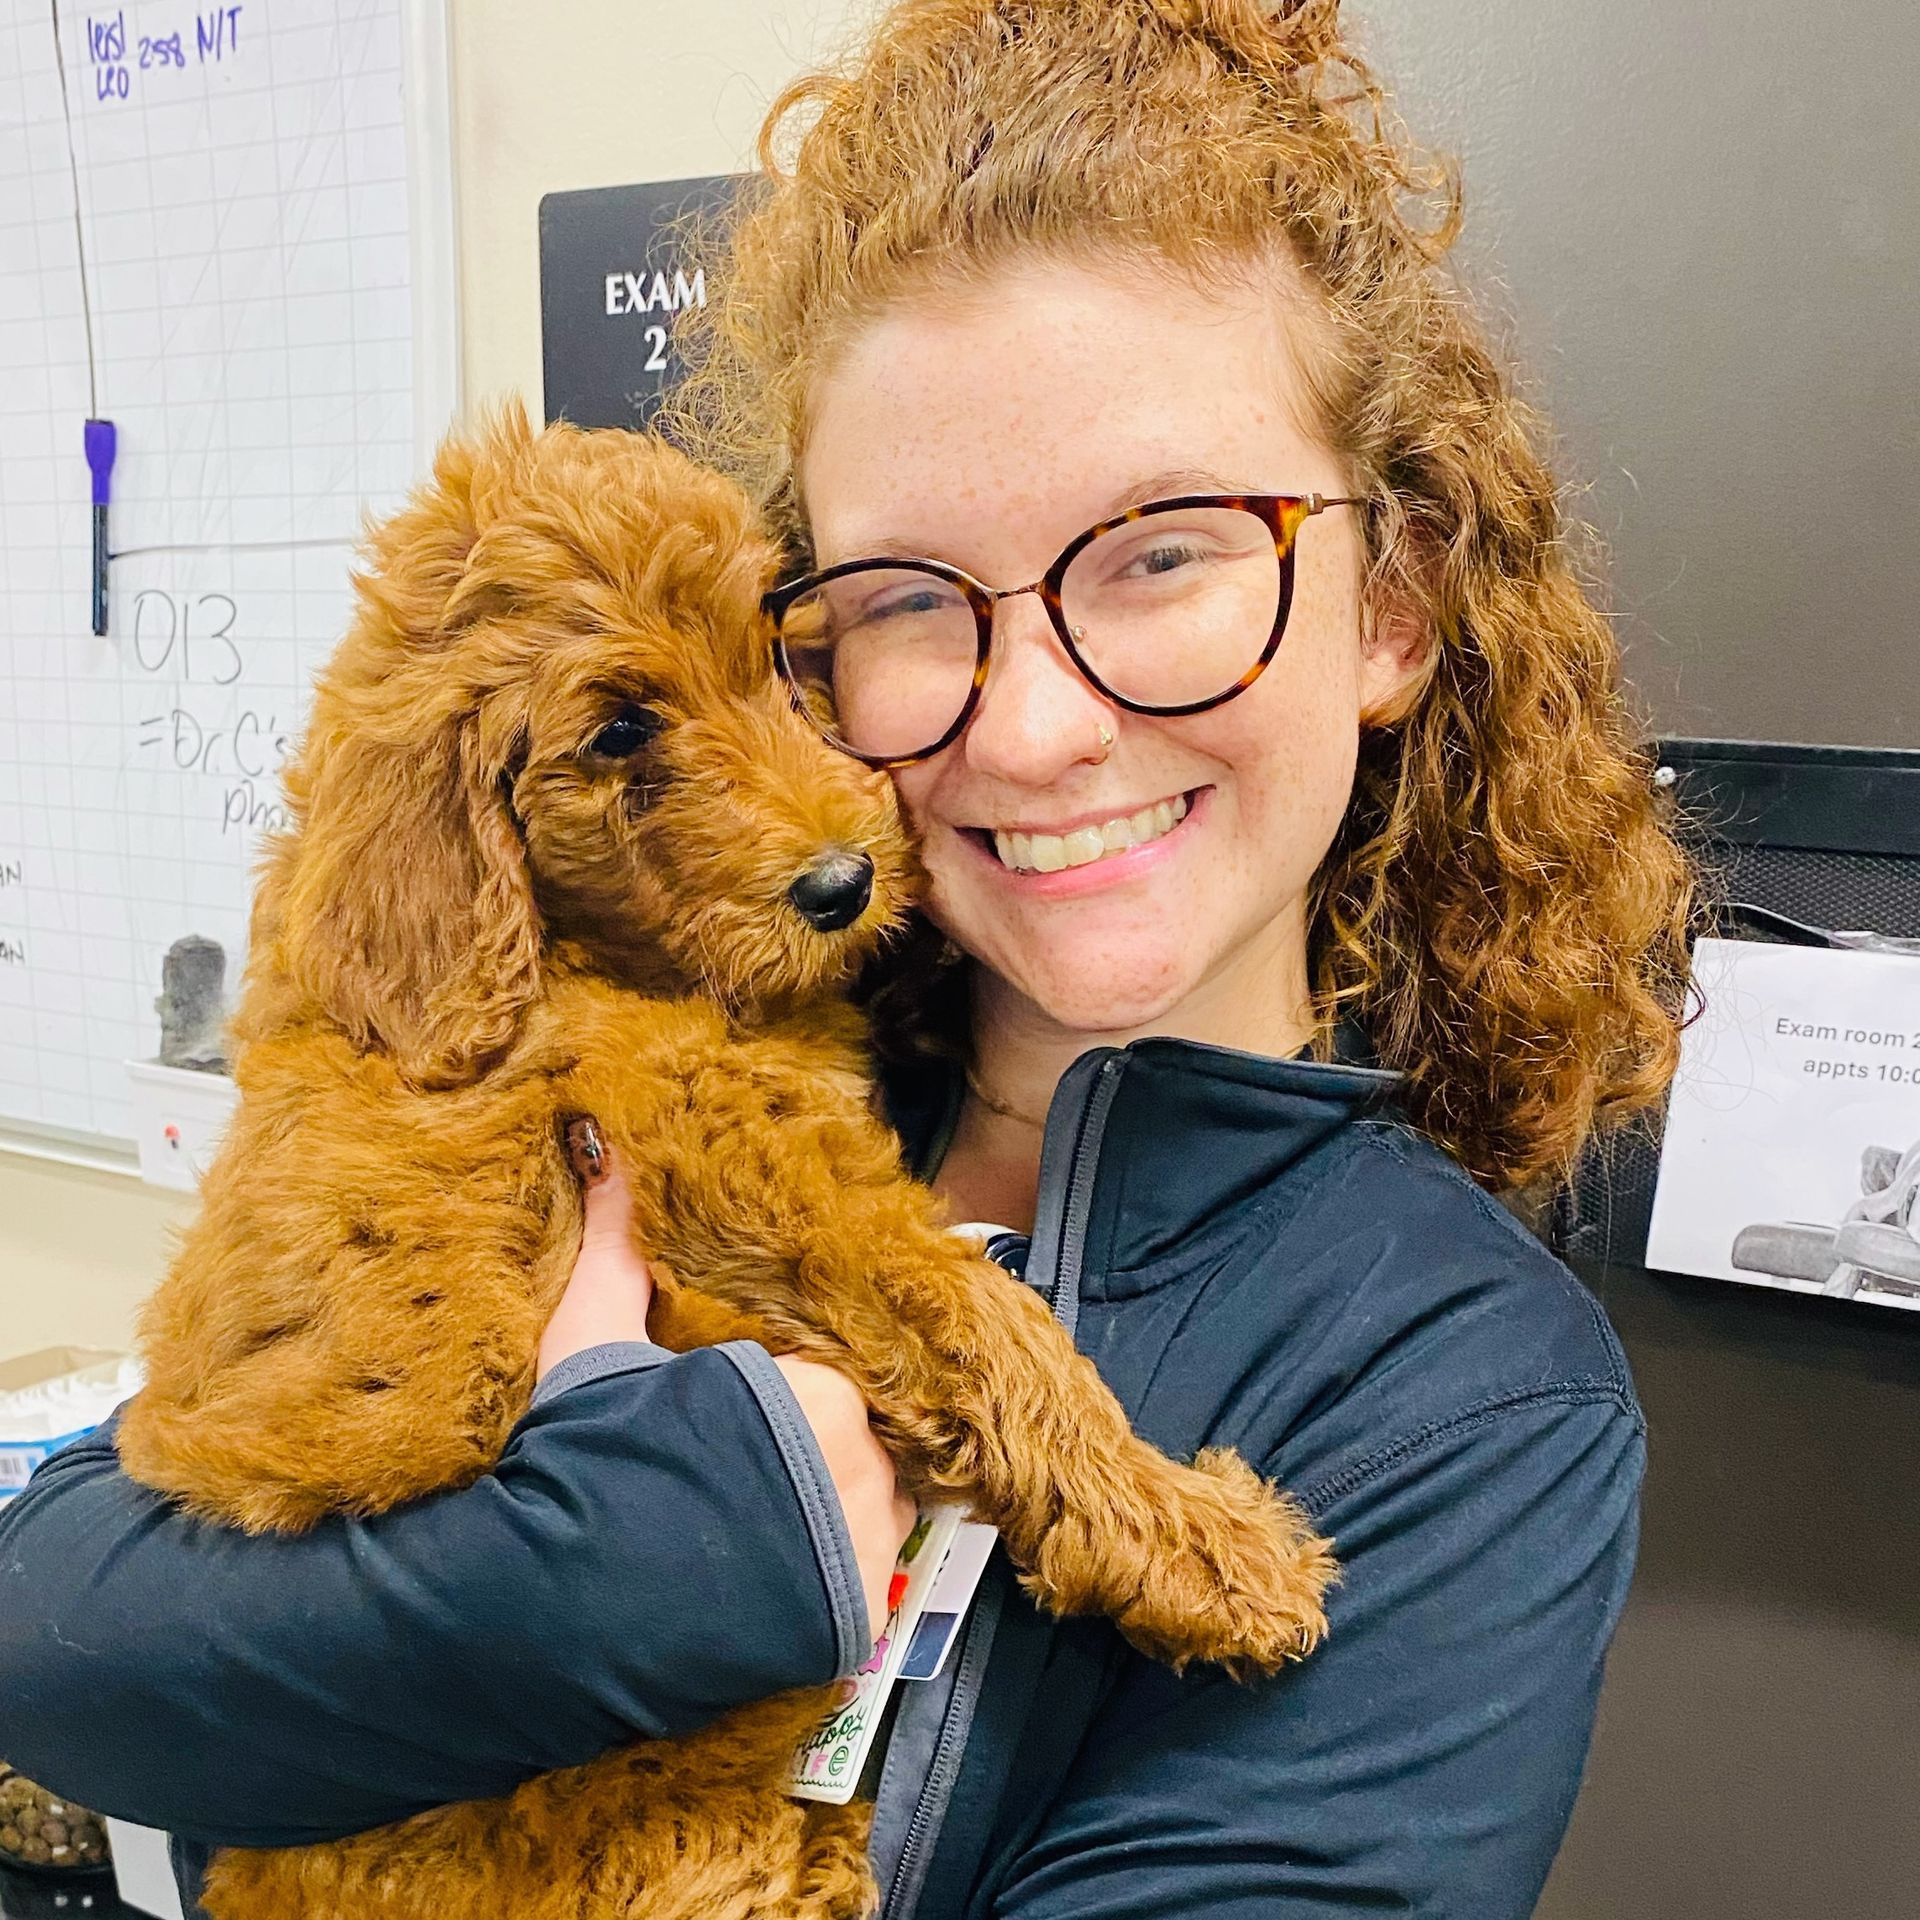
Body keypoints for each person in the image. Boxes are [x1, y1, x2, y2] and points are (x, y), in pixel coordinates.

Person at [0, 2, 1694, 1914]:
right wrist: (639, 1542)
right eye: (907, 599)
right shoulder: (676, 1039)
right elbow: (60, 1637)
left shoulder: (1458, 1397)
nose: (1039, 727)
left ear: (1391, 604)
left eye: (1164, 553)